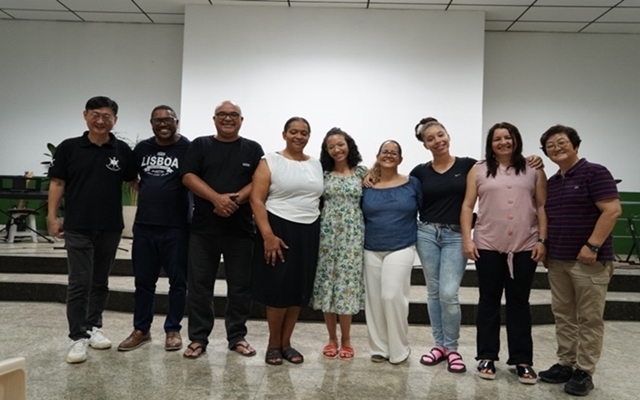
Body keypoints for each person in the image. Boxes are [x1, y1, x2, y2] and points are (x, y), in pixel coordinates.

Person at [411, 117, 543, 374]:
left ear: (448, 135)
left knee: (449, 293)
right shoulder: (420, 171)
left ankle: (453, 348)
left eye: (440, 135)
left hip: (456, 235)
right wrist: (373, 174)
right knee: (434, 292)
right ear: (424, 144)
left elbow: (506, 172)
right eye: (430, 138)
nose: (437, 141)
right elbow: (404, 189)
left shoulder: (469, 165)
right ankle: (440, 346)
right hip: (427, 233)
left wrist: (535, 159)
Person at [47, 96, 136, 364]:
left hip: (110, 227)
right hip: (78, 226)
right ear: (85, 115)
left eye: (106, 116)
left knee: (100, 281)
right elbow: (58, 183)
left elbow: (134, 183)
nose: (100, 121)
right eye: (95, 115)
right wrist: (52, 216)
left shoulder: (122, 150)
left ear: (115, 120)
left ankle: (94, 326)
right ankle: (77, 337)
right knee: (79, 282)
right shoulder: (69, 148)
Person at [460, 122, 547, 384]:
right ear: (491, 144)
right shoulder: (478, 169)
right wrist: (467, 240)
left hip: (525, 244)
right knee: (488, 301)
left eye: (507, 137)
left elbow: (541, 206)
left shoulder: (533, 169)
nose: (503, 142)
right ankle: (487, 356)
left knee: (519, 303)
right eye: (497, 139)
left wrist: (542, 240)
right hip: (488, 244)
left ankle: (522, 360)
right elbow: (467, 206)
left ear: (516, 140)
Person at [537, 125, 621, 397]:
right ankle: (566, 363)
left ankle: (584, 371)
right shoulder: (553, 182)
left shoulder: (595, 172)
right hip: (558, 259)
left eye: (562, 142)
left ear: (575, 145)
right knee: (564, 315)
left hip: (589, 261)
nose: (557, 148)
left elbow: (612, 211)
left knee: (589, 318)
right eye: (550, 146)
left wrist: (592, 245)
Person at [180, 101, 264, 359]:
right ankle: (198, 338)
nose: (228, 118)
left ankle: (237, 336)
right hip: (204, 230)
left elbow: (259, 181)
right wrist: (217, 199)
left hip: (240, 231)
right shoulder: (200, 145)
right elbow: (188, 176)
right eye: (223, 114)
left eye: (233, 115)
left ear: (241, 120)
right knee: (199, 287)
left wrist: (233, 201)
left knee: (240, 287)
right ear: (214, 119)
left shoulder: (252, 148)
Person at [250, 117, 324, 365]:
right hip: (278, 228)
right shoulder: (270, 160)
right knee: (278, 289)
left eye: (304, 132)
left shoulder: (316, 164)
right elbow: (256, 199)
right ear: (284, 134)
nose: (298, 136)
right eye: (293, 131)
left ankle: (286, 343)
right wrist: (268, 235)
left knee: (298, 289)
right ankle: (273, 344)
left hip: (309, 231)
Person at [117, 105, 190, 352]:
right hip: (145, 226)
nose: (163, 124)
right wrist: (148, 190)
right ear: (151, 124)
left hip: (177, 227)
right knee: (143, 282)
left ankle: (173, 330)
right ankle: (141, 330)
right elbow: (130, 177)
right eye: (157, 120)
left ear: (176, 122)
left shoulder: (188, 148)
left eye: (167, 119)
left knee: (178, 282)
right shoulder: (142, 149)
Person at [362, 140, 421, 365]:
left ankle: (399, 348)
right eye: (385, 152)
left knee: (392, 296)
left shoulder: (412, 183)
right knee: (375, 300)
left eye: (394, 153)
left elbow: (424, 210)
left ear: (400, 159)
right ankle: (379, 348)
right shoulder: (366, 184)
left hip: (401, 246)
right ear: (378, 156)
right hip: (371, 248)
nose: (389, 155)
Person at [311, 128, 366, 361]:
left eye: (340, 144)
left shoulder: (362, 173)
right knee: (328, 285)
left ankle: (347, 340)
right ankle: (331, 339)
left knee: (346, 286)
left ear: (349, 145)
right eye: (331, 146)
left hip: (352, 236)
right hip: (327, 235)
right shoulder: (323, 174)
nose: (337, 149)